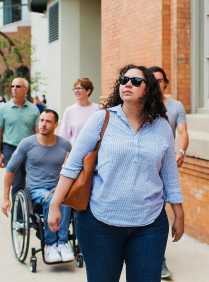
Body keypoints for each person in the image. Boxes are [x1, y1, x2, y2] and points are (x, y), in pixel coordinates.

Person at [48, 64, 185, 282]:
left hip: (150, 223)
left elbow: (169, 174)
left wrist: (179, 213)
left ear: (148, 89)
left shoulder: (161, 126)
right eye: (124, 80)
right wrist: (55, 203)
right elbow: (73, 164)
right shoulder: (101, 119)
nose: (128, 84)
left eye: (136, 81)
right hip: (100, 223)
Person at [2, 109, 73, 263]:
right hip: (35, 190)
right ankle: (50, 245)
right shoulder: (27, 143)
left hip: (58, 188)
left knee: (64, 199)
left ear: (55, 124)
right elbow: (10, 169)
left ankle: (62, 243)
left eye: (48, 121)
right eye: (41, 120)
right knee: (52, 199)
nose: (43, 124)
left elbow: (74, 168)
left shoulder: (65, 144)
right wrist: (6, 198)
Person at [149, 66, 189, 279]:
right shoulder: (142, 104)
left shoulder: (176, 106)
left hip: (166, 168)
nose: (156, 84)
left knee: (159, 212)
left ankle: (159, 260)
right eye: (152, 80)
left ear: (166, 83)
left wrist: (181, 151)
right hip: (145, 168)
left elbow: (182, 132)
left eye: (160, 80)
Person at [0, 77, 40, 200]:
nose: (14, 89)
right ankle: (18, 216)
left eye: (18, 86)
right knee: (17, 181)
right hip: (10, 148)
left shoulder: (34, 110)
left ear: (26, 89)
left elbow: (38, 133)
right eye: (12, 86)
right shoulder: (3, 109)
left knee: (29, 181)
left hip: (29, 149)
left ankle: (28, 212)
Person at [59, 78, 100, 145]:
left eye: (79, 88)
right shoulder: (69, 110)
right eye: (75, 88)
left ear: (88, 91)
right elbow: (63, 136)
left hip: (94, 152)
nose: (76, 91)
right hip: (75, 151)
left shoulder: (98, 108)